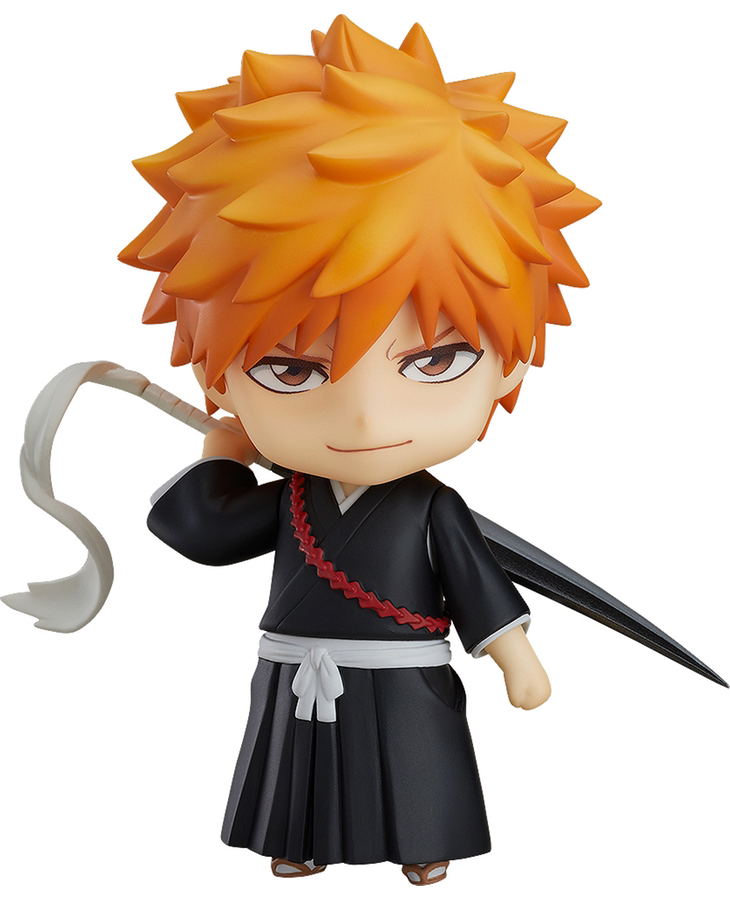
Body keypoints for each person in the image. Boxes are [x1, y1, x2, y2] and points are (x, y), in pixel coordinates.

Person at [122, 13, 598, 885]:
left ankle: (424, 843)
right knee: (295, 768)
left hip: (402, 674)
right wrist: (224, 451)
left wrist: (515, 656)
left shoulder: (430, 508)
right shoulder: (295, 499)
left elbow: (476, 587)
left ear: (510, 360)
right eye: (292, 371)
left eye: (435, 361)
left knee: (414, 758)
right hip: (296, 671)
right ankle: (295, 840)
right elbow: (202, 531)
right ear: (216, 375)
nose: (369, 418)